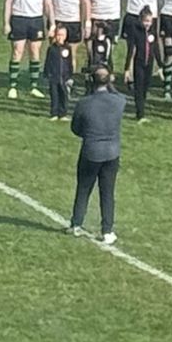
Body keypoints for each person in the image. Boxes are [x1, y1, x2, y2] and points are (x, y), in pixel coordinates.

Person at [68, 66, 126, 245]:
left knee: (84, 188)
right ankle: (107, 230)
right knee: (107, 192)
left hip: (91, 151)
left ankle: (76, 223)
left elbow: (75, 128)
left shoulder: (84, 103)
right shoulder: (119, 101)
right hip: (112, 152)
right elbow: (117, 94)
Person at [3, 0, 51, 102]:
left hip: (36, 20)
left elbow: (48, 4)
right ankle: (12, 86)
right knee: (17, 52)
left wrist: (52, 23)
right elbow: (8, 1)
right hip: (18, 19)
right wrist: (6, 22)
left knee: (35, 52)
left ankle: (34, 86)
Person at [126, 6, 160, 121]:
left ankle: (142, 110)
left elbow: (156, 49)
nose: (147, 24)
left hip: (149, 64)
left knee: (146, 87)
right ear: (141, 20)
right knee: (139, 88)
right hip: (139, 63)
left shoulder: (152, 32)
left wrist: (160, 65)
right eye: (146, 21)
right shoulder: (136, 32)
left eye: (150, 21)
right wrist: (127, 69)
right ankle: (140, 114)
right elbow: (131, 50)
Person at [42, 24, 75, 121]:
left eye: (62, 35)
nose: (60, 37)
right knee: (54, 95)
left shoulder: (67, 48)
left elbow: (69, 61)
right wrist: (47, 73)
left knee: (64, 95)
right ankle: (54, 113)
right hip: (54, 76)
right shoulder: (52, 48)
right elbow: (48, 61)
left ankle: (63, 113)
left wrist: (70, 74)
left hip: (64, 76)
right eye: (58, 35)